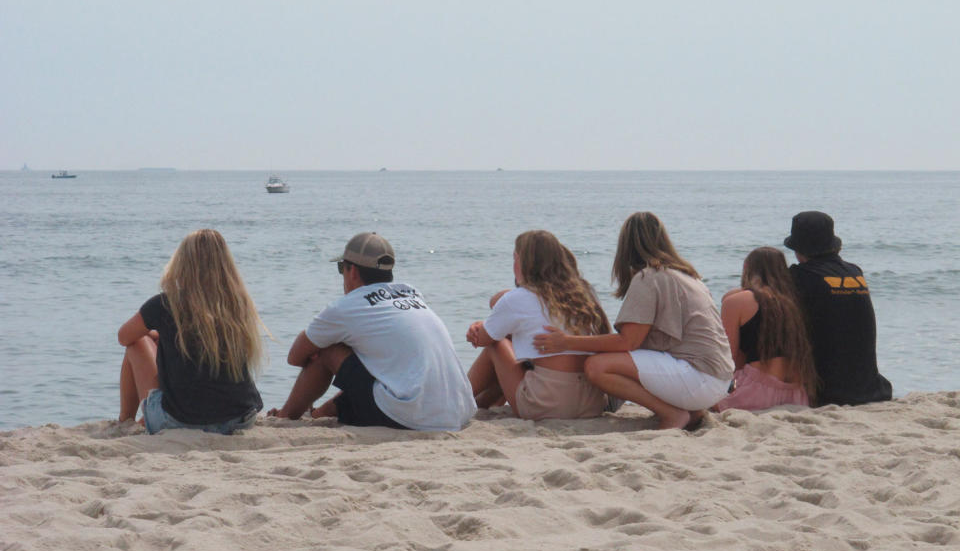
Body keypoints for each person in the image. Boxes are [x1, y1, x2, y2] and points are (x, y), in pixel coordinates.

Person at [534, 212, 733, 430]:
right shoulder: (687, 276)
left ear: (626, 246)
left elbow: (628, 342)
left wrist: (567, 342)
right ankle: (691, 413)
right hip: (719, 381)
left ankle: (672, 414)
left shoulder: (649, 277)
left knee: (597, 367)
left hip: (698, 378)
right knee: (618, 359)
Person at [270, 232, 475, 431]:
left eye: (342, 268)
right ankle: (317, 414)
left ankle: (285, 416)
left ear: (353, 272)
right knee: (375, 371)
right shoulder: (412, 293)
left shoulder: (346, 307)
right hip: (459, 410)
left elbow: (295, 357)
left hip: (412, 416)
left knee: (328, 350)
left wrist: (322, 346)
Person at [117, 229, 264, 434]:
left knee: (136, 343)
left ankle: (126, 419)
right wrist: (163, 336)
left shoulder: (166, 305)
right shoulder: (237, 304)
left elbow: (124, 336)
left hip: (181, 423)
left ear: (182, 264)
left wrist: (152, 334)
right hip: (238, 420)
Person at [465, 230, 611, 420]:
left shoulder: (518, 299)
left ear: (522, 262)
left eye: (515, 258)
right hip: (592, 402)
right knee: (514, 346)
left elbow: (484, 339)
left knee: (497, 344)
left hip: (549, 403)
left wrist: (480, 326)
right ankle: (478, 404)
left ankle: (457, 398)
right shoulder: (583, 294)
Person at [784, 211, 892, 406]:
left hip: (829, 390)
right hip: (870, 386)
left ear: (798, 249)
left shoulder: (799, 277)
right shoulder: (854, 271)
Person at [715, 247, 815, 411]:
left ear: (747, 267)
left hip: (755, 392)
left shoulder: (736, 301)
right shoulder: (796, 300)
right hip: (797, 395)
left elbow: (728, 359)